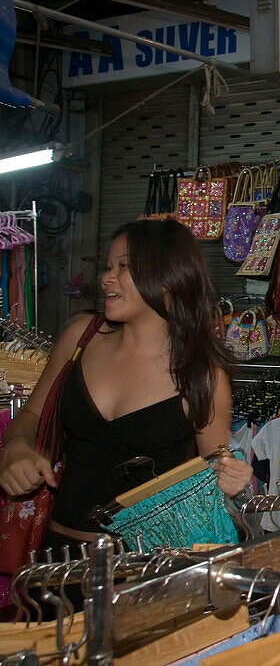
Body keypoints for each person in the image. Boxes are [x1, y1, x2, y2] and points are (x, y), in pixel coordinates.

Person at [0, 219, 253, 550]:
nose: (106, 278)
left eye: (123, 267)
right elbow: (31, 416)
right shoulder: (81, 338)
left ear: (168, 279)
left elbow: (213, 473)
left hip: (147, 570)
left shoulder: (200, 375)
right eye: (108, 267)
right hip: (58, 556)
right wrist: (15, 449)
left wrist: (234, 481)